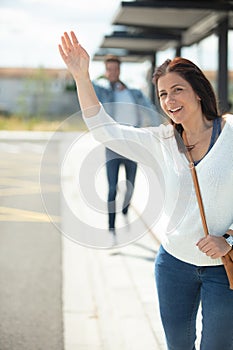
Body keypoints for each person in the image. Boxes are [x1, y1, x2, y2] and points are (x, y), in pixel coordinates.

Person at [59, 31, 233, 349]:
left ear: (198, 92)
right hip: (173, 266)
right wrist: (81, 76)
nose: (170, 101)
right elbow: (105, 131)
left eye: (177, 90)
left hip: (223, 269)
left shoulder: (231, 133)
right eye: (163, 94)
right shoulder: (162, 141)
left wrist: (229, 241)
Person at [92, 55, 154, 231]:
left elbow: (149, 109)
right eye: (109, 69)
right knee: (112, 188)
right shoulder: (103, 91)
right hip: (113, 146)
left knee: (130, 186)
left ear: (120, 70)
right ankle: (111, 227)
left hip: (132, 145)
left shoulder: (132, 92)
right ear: (105, 71)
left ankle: (125, 209)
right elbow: (86, 85)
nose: (113, 73)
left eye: (116, 69)